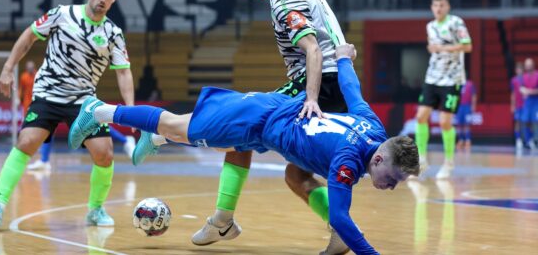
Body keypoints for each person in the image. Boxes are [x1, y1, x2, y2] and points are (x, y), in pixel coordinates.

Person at [69, 44, 420, 255]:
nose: (392, 185)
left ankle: (161, 143)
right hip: (257, 121)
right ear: (378, 158)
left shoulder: (373, 127)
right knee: (175, 124)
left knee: (290, 174)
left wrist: (344, 59)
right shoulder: (347, 163)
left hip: (272, 120)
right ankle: (99, 110)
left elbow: (352, 89)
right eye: (393, 177)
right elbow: (343, 216)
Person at [173, 0, 352, 252]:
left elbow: (312, 49)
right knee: (296, 176)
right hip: (342, 84)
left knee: (239, 128)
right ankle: (343, 231)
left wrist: (310, 98)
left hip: (319, 84)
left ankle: (165, 137)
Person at [0, 0, 134, 227]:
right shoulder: (62, 14)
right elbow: (29, 36)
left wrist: (130, 110)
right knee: (26, 142)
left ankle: (95, 210)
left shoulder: (113, 33)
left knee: (105, 154)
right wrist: (8, 68)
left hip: (84, 101)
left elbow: (123, 71)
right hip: (48, 94)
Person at [415, 0, 472, 179]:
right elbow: (433, 47)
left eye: (442, 5)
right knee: (421, 116)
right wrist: (433, 49)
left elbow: (467, 45)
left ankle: (449, 162)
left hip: (452, 78)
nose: (438, 9)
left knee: (444, 121)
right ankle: (421, 160)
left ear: (448, 7)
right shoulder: (430, 26)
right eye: (436, 6)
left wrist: (443, 48)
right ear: (432, 7)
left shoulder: (456, 23)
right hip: (433, 76)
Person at [520, 57, 538, 151]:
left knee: (536, 121)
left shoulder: (537, 75)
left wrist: (530, 92)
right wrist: (523, 91)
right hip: (527, 103)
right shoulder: (524, 76)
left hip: (536, 102)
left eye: (529, 64)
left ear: (533, 65)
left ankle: (536, 140)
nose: (527, 66)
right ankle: (526, 141)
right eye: (526, 64)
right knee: (524, 121)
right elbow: (521, 88)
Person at [455, 80, 476, 150]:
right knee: (459, 124)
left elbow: (474, 95)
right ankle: (461, 140)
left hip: (467, 106)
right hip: (459, 106)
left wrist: (473, 106)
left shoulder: (470, 84)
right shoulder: (458, 84)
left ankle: (468, 140)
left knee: (467, 124)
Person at [511, 61, 526, 152]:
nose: (519, 71)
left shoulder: (525, 79)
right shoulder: (513, 80)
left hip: (525, 105)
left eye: (520, 69)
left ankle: (526, 139)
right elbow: (512, 93)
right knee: (517, 122)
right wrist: (512, 105)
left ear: (523, 70)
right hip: (518, 104)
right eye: (517, 69)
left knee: (525, 122)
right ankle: (518, 139)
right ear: (516, 70)